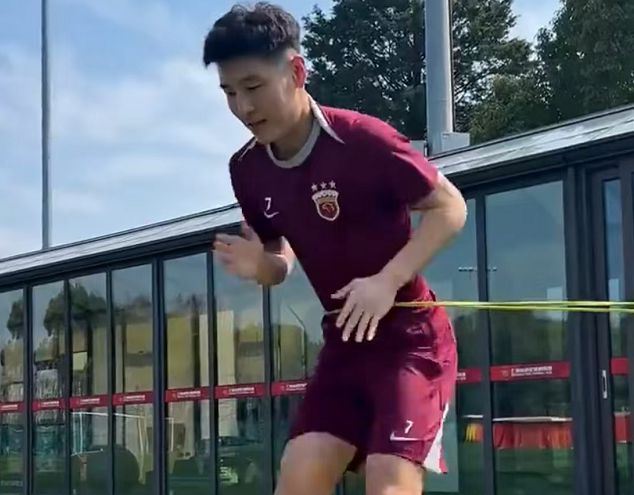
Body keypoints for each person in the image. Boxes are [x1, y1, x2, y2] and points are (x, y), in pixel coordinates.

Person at [204, 3, 467, 494]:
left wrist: (387, 281)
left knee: (388, 481)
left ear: (296, 72)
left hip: (411, 341)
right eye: (230, 93)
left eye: (254, 87)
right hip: (345, 346)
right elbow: (279, 263)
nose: (243, 108)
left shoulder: (363, 140)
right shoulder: (247, 170)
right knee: (300, 476)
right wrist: (261, 266)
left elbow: (450, 207)